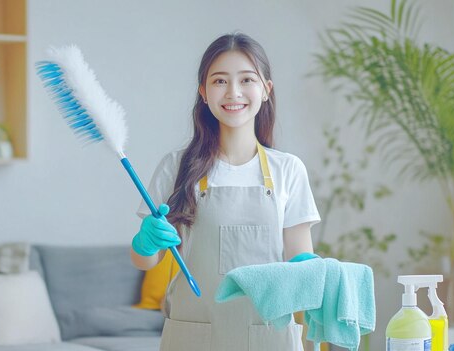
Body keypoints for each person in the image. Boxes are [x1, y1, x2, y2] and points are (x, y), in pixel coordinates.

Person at [130, 32, 321, 351]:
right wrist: (145, 243)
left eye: (247, 79)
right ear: (203, 92)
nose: (233, 92)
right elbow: (144, 261)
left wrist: (319, 276)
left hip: (268, 335)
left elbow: (299, 259)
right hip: (194, 337)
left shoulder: (288, 169)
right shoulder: (176, 167)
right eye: (219, 81)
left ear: (266, 90)